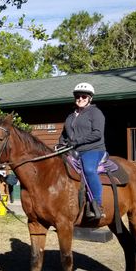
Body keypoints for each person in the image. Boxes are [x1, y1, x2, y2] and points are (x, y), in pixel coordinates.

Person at [58, 82, 107, 219]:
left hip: (93, 150)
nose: (80, 99)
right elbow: (64, 134)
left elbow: (97, 133)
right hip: (73, 150)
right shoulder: (70, 116)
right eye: (77, 96)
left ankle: (97, 205)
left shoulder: (95, 113)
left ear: (90, 98)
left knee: (89, 170)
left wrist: (77, 141)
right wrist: (60, 144)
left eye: (84, 96)